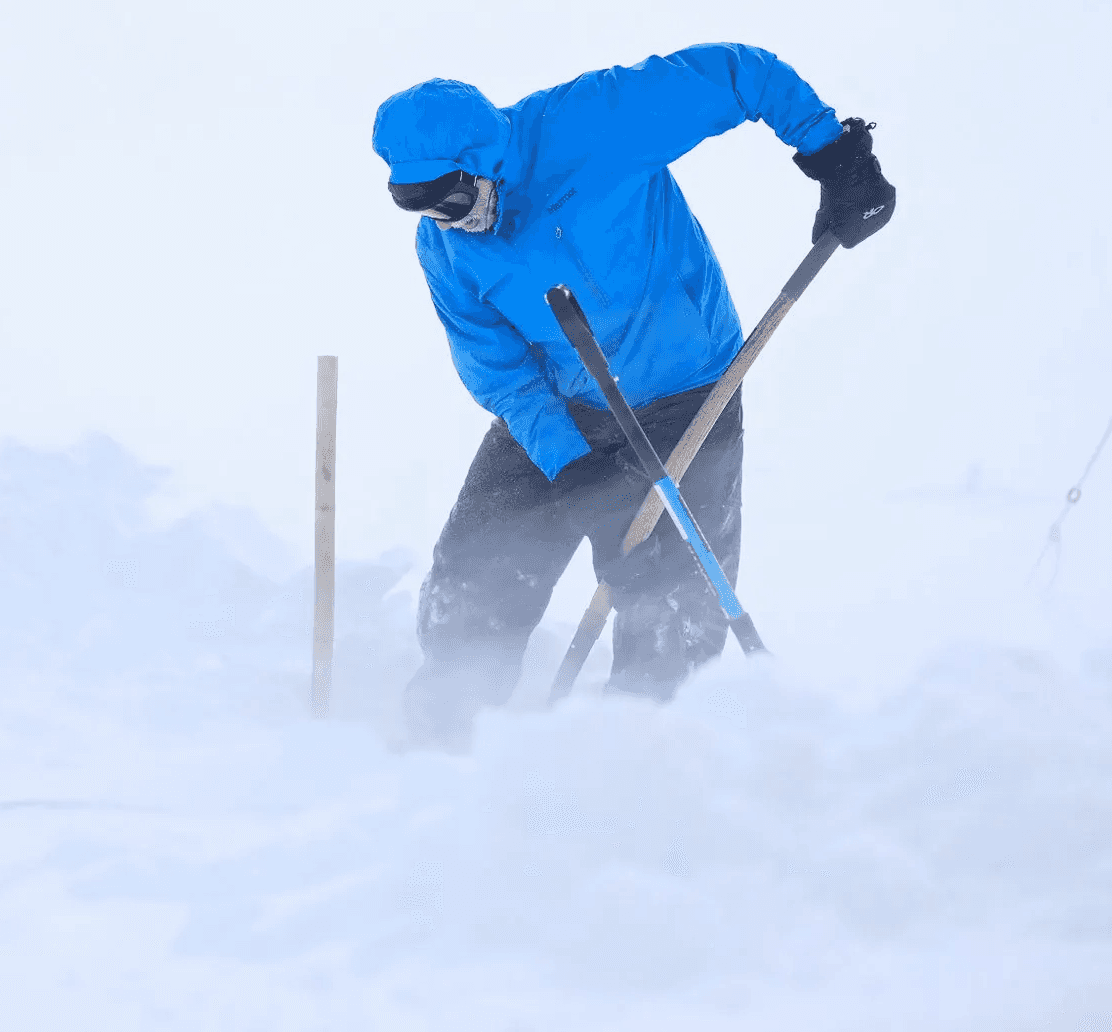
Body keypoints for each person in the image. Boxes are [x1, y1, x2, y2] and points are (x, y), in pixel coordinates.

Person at [372, 44, 895, 748]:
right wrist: (575, 470)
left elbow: (739, 74)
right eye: (421, 208)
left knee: (671, 595)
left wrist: (833, 154)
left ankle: (629, 762)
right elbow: (500, 372)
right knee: (479, 564)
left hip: (686, 393)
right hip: (558, 407)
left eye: (455, 199)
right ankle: (441, 743)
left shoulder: (596, 123)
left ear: (485, 159)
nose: (450, 221)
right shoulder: (447, 249)